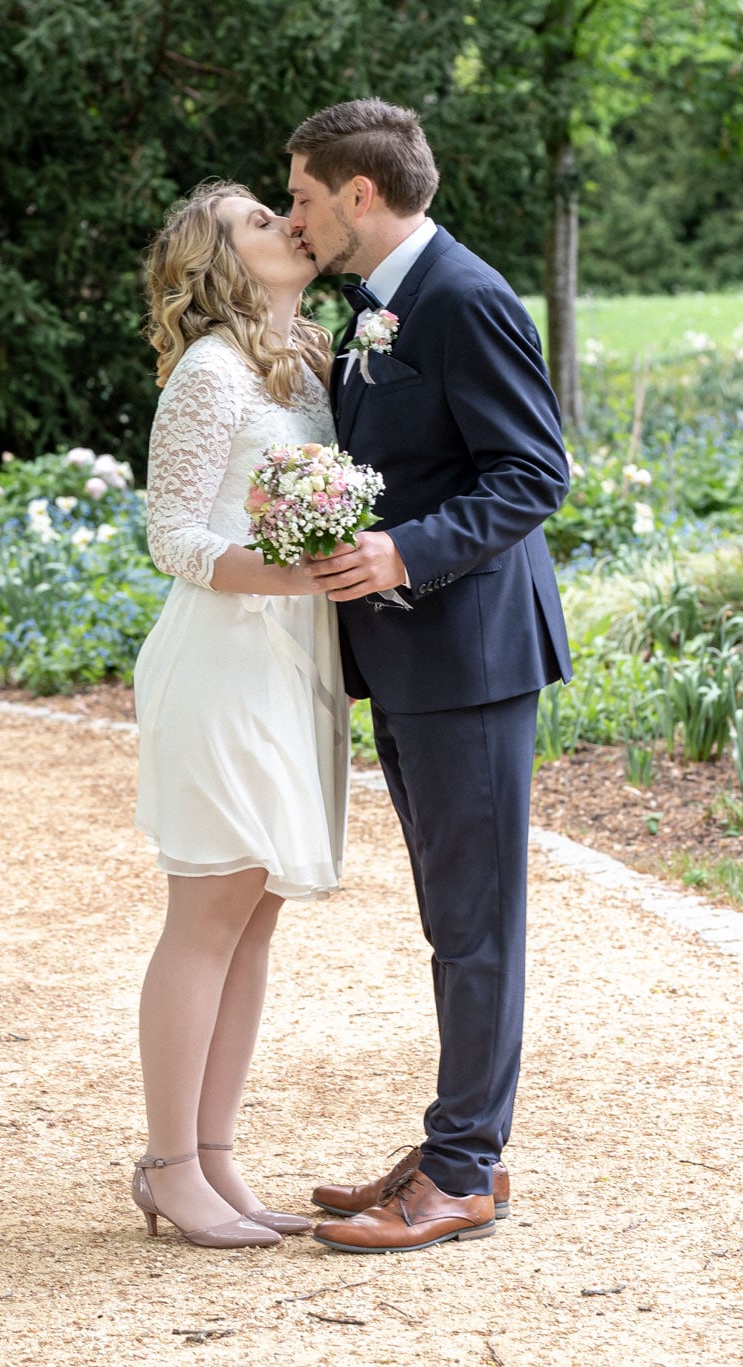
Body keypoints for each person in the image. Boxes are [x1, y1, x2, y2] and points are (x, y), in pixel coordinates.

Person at [285, 98, 573, 1255]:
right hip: (406, 658)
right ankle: (457, 1144)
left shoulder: (462, 296)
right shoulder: (380, 307)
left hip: (470, 657)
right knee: (450, 918)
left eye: (302, 193)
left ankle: (461, 1169)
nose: (293, 214)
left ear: (362, 194)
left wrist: (401, 550)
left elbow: (533, 471)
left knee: (474, 922)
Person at [129, 180, 349, 1249]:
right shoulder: (209, 373)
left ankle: (216, 1158)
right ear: (217, 259)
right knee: (208, 911)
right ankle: (167, 1166)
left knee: (253, 916)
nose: (283, 223)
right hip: (221, 660)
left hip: (289, 661)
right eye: (256, 218)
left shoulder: (305, 362)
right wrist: (288, 572)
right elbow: (169, 533)